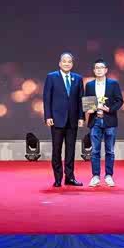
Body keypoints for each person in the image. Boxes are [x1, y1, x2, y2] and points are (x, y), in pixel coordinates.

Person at [43, 52, 84, 187]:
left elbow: (80, 99)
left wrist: (81, 117)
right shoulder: (51, 77)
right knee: (57, 150)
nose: (67, 63)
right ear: (60, 63)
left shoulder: (78, 78)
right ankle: (58, 178)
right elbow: (47, 98)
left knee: (70, 150)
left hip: (73, 120)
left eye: (69, 61)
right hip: (56, 119)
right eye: (64, 61)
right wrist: (48, 116)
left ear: (72, 64)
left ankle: (70, 177)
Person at [84, 59, 124, 187]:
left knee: (110, 150)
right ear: (94, 70)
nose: (99, 70)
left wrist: (109, 109)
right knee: (95, 151)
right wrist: (90, 108)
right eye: (97, 68)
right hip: (95, 121)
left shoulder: (113, 84)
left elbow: (120, 101)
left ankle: (108, 175)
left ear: (106, 70)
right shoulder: (89, 85)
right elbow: (87, 102)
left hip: (109, 120)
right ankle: (95, 176)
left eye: (101, 67)